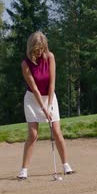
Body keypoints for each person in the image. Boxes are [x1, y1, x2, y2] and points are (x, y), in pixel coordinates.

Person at [18, 31, 74, 180]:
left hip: (49, 97)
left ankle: (66, 165)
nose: (40, 52)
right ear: (31, 48)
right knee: (33, 134)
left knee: (56, 131)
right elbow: (34, 88)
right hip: (32, 99)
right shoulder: (25, 64)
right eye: (37, 49)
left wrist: (49, 106)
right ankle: (23, 170)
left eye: (42, 48)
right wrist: (43, 109)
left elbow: (52, 84)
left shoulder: (50, 57)